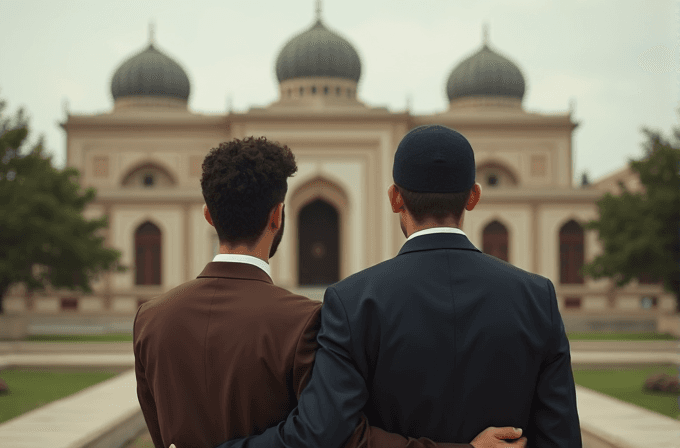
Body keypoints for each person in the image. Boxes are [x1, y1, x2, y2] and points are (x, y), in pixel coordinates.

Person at [133, 136, 525, 448]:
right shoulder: (303, 320)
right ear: (278, 214)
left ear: (208, 215)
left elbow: (160, 428)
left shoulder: (151, 317)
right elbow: (325, 436)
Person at [217, 125, 582, 448]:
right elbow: (561, 437)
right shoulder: (537, 298)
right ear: (473, 196)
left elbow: (327, 433)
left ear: (395, 198)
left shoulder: (353, 302)